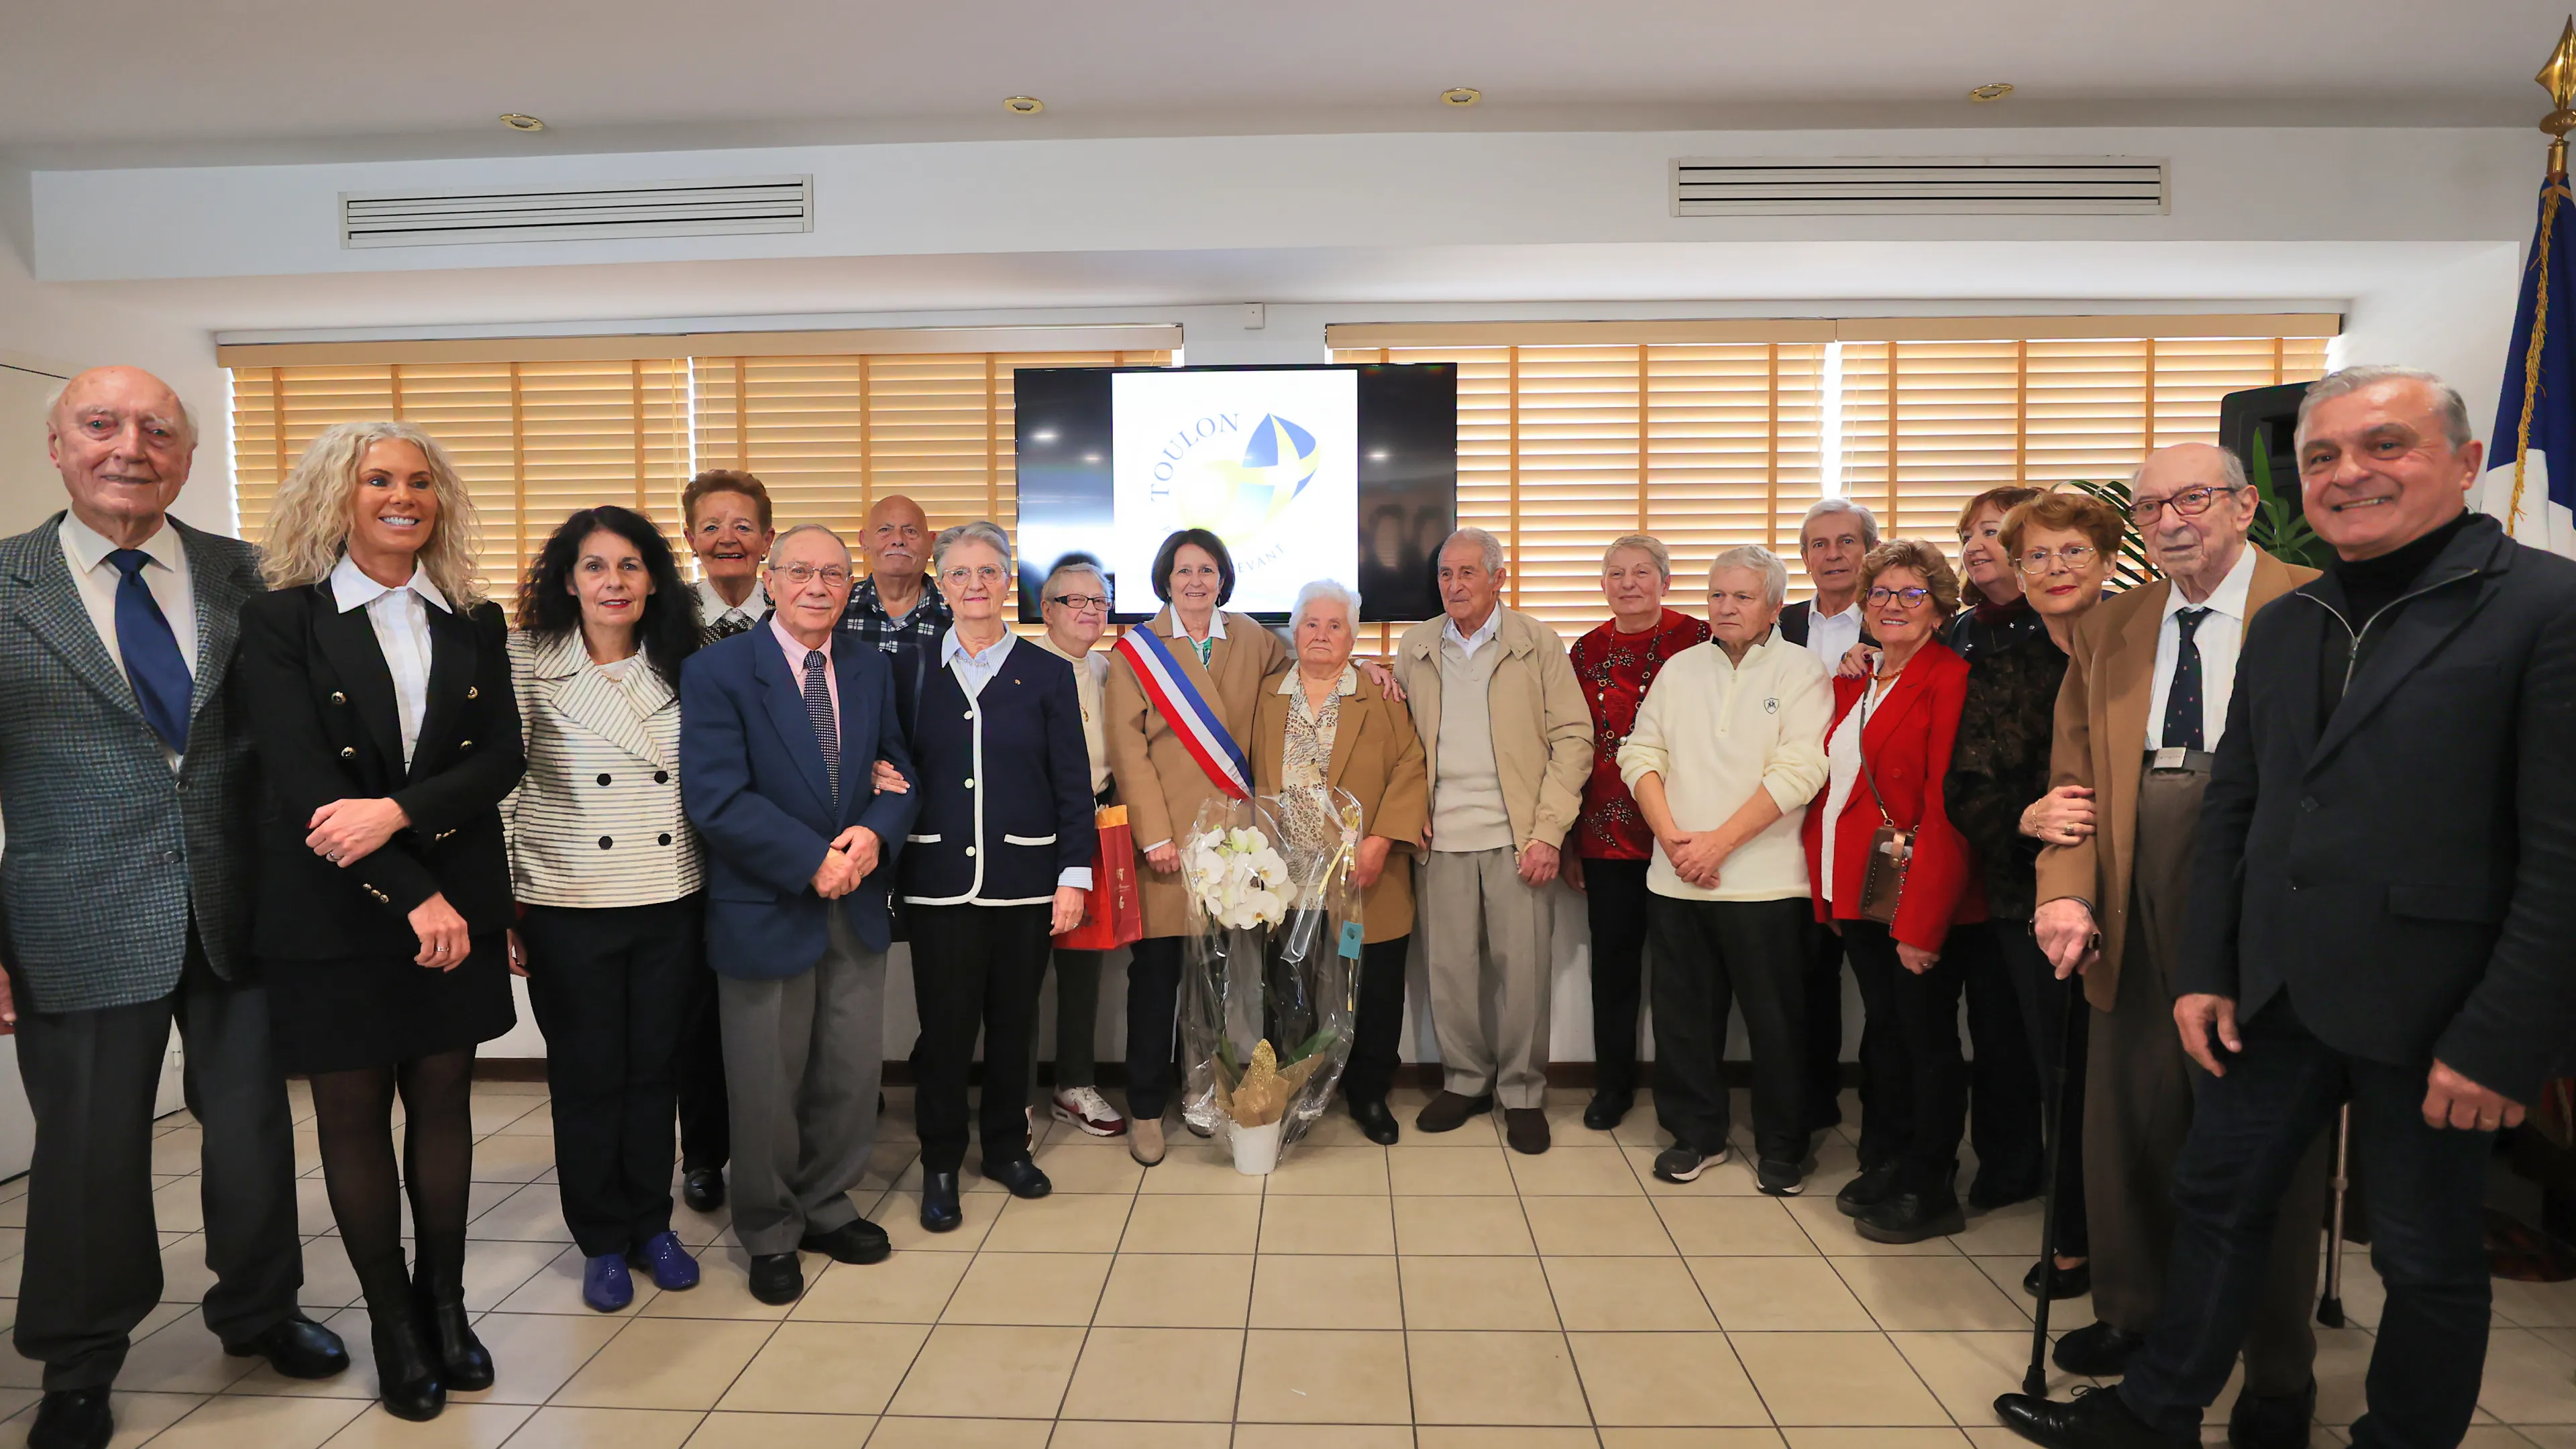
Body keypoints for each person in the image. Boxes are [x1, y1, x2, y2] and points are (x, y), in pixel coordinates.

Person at [2005, 366, 2576, 1449]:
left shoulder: (2546, 611)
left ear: (2463, 464)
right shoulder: (2296, 624)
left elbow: (2563, 851)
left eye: (2386, 446)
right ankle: (2156, 1411)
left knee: (2423, 1260)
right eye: (2322, 456)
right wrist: (2214, 967)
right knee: (2216, 1203)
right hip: (2271, 993)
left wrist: (2507, 1039)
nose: (2350, 473)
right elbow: (2240, 812)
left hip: (2436, 1013)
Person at [0, 368, 347, 1449]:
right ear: (57, 446)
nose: (129, 447)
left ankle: (260, 1309)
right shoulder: (5, 585)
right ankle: (80, 1359)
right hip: (77, 914)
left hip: (244, 907)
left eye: (157, 430)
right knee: (89, 1151)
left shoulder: (253, 579)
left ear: (188, 457)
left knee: (250, 1134)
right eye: (100, 426)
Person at [2008, 441, 2327, 1427]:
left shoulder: (2319, 606)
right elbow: (2071, 779)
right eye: (2150, 506)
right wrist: (2063, 889)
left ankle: (2276, 1374)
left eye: (2193, 498)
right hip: (2126, 870)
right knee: (2129, 1123)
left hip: (2257, 888)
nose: (2170, 519)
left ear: (2242, 506)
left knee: (2256, 1145)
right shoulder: (2113, 625)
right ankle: (2138, 1323)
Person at [235, 420, 525, 1421]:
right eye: (378, 480)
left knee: (444, 1105)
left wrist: (401, 816)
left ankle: (447, 1312)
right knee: (353, 1117)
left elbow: (500, 762)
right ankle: (394, 1324)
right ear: (337, 496)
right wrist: (414, 895)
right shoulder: (282, 621)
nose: (403, 496)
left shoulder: (472, 620)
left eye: (419, 482)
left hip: (454, 901)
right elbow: (304, 779)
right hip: (336, 910)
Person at [680, 524, 919, 1306]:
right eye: (803, 573)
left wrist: (873, 836)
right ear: (772, 579)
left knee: (848, 1075)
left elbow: (899, 773)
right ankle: (771, 1228)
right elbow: (715, 797)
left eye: (834, 575)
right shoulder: (717, 670)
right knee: (765, 1083)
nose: (819, 587)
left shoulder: (869, 666)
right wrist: (810, 858)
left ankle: (826, 1204)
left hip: (855, 902)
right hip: (766, 904)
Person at [501, 506, 707, 1311]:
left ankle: (653, 1225)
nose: (613, 582)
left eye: (629, 565)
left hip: (671, 897)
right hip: (566, 898)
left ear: (655, 578)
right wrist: (505, 906)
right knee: (589, 1078)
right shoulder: (525, 661)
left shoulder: (688, 660)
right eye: (595, 566)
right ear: (567, 580)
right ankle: (601, 1240)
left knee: (656, 1072)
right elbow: (503, 793)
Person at [1941, 490, 2123, 1303]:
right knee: (2067, 1078)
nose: (2053, 569)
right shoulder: (2002, 669)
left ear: (2110, 561)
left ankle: (2149, 1240)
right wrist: (2026, 814)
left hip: (2145, 894)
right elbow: (1966, 790)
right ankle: (2079, 1238)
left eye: (2072, 553)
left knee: (2138, 1082)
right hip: (2033, 907)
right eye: (2037, 557)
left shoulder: (2151, 651)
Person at [900, 523, 1095, 1230]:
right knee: (946, 1036)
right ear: (941, 584)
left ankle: (1008, 1150)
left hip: (1027, 880)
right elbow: (891, 768)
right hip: (936, 884)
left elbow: (1073, 785)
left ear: (1007, 582)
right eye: (959, 573)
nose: (975, 585)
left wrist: (1073, 877)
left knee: (1015, 1028)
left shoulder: (1046, 672)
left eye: (988, 572)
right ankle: (941, 1163)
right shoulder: (910, 668)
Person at [1618, 546, 1831, 1191]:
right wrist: (1676, 840)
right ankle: (1696, 1135)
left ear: (1773, 604)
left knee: (1777, 1026)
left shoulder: (1802, 671)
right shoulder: (1680, 669)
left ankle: (1784, 1148)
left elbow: (1800, 770)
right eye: (1716, 596)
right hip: (1676, 878)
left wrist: (1717, 846)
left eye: (1741, 597)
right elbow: (1640, 752)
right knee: (1684, 1021)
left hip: (1767, 885)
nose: (1726, 608)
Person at [1391, 527, 1593, 1155]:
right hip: (1440, 836)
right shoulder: (1417, 644)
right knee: (1449, 974)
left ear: (1498, 578)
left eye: (1468, 573)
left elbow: (1575, 739)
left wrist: (1549, 832)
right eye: (1446, 574)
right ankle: (1465, 1081)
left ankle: (1523, 1093)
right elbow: (1398, 739)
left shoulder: (1536, 643)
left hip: (1520, 839)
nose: (1454, 585)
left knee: (1523, 973)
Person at [1803, 538, 1980, 1243]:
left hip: (1919, 898)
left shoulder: (1949, 677)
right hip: (1863, 889)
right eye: (1881, 594)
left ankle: (1931, 1183)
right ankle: (1895, 1160)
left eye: (1912, 595)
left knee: (1928, 1042)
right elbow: (1840, 787)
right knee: (1889, 1035)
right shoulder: (1865, 679)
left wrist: (1922, 924)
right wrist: (1832, 897)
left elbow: (1945, 808)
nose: (1892, 606)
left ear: (1940, 608)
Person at [1103, 528, 1289, 1166]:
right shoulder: (1138, 651)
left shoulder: (1255, 640)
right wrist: (1153, 835)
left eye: (1207, 570)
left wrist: (1371, 666)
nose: (1195, 582)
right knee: (1156, 980)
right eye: (1184, 571)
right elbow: (1128, 749)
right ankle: (1147, 1110)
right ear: (1165, 579)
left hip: (1235, 840)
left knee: (1220, 977)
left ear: (1223, 577)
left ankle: (1207, 1094)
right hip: (1166, 841)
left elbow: (1306, 679)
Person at [1250, 580, 1429, 1146]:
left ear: (1353, 636)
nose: (1322, 635)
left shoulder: (1381, 694)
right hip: (1284, 879)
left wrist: (1381, 842)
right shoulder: (1266, 694)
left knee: (1371, 988)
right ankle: (1295, 1089)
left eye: (1335, 626)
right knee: (1289, 989)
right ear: (1294, 632)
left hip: (1364, 877)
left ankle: (1369, 1092)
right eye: (1311, 624)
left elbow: (1412, 765)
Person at [1566, 534, 1708, 1132]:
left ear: (1666, 582)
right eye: (1616, 573)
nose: (1628, 583)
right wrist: (1569, 838)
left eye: (1642, 572)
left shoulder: (1700, 639)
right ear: (1602, 585)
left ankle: (1688, 1096)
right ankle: (1613, 1086)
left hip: (1685, 835)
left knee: (1686, 976)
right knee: (1614, 972)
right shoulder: (1583, 650)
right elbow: (1568, 747)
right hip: (1605, 838)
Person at [674, 469, 775, 1213]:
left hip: (784, 841)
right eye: (712, 526)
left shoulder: (805, 609)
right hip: (686, 840)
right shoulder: (660, 621)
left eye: (743, 525)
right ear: (690, 540)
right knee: (701, 1009)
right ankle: (706, 1153)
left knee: (783, 1004)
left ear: (768, 538)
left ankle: (781, 1150)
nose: (728, 539)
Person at [1777, 496, 1878, 1134]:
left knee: (1876, 971)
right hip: (1789, 818)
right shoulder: (1779, 621)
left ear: (1868, 549)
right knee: (1803, 969)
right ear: (1805, 556)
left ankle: (1881, 1113)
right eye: (1820, 544)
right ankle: (1809, 1103)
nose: (1833, 554)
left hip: (1868, 816)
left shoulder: (1899, 617)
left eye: (1846, 542)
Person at [1028, 557, 1127, 1138]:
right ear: (1047, 609)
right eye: (1076, 601)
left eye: (1099, 602)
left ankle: (1075, 1081)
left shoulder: (1112, 670)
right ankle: (1012, 1096)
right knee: (1020, 970)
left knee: (1085, 966)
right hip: (1031, 833)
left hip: (1094, 827)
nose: (1091, 612)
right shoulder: (1021, 667)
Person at [842, 492, 951, 702]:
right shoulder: (836, 610)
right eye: (885, 530)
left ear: (931, 544)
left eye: (910, 531)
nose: (898, 541)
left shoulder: (956, 618)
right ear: (864, 542)